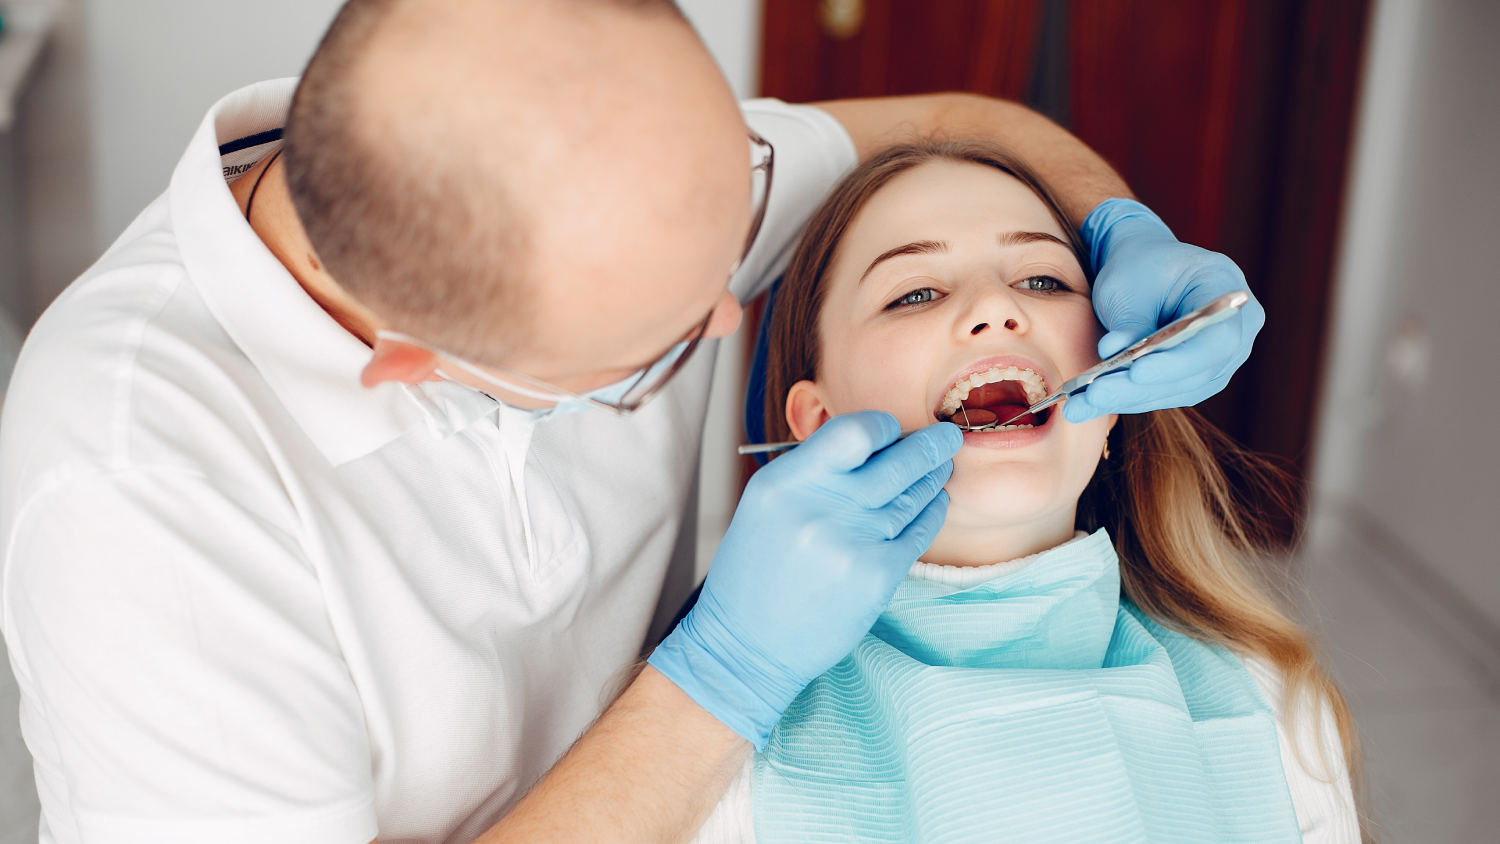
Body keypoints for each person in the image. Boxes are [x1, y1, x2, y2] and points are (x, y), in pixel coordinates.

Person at [0, 2, 1265, 843]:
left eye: (1040, 284)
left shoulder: (607, 152)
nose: (731, 317)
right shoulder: (132, 493)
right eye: (654, 344)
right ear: (408, 360)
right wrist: (724, 678)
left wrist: (1111, 226)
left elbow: (971, 131)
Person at [683, 138, 1359, 843]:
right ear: (820, 425)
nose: (996, 308)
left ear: (1113, 405)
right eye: (915, 292)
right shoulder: (714, 767)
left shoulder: (1274, 704)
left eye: (1043, 280)